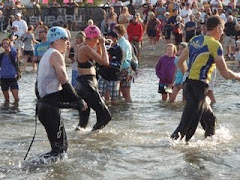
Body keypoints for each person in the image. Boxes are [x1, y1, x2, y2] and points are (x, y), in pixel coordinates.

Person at [171, 16, 240, 142]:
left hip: (189, 86)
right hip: (198, 89)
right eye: (222, 29)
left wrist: (187, 75)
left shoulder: (194, 40)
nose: (222, 33)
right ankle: (169, 151)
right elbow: (224, 73)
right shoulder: (215, 45)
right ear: (218, 28)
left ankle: (208, 149)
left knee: (210, 120)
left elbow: (180, 62)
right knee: (185, 128)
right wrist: (237, 76)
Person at [37, 26, 87, 161]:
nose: (68, 42)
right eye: (66, 39)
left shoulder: (48, 54)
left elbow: (40, 87)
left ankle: (37, 167)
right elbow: (63, 79)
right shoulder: (55, 54)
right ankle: (31, 167)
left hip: (45, 106)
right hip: (49, 107)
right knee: (60, 151)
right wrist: (77, 100)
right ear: (57, 40)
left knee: (60, 150)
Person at [75, 25, 111, 131]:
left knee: (83, 122)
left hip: (84, 84)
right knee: (106, 117)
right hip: (87, 85)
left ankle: (82, 141)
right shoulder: (85, 48)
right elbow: (105, 62)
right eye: (97, 39)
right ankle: (93, 139)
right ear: (95, 38)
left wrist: (99, 45)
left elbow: (99, 57)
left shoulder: (84, 47)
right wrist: (103, 44)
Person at [98, 31, 123, 105]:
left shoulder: (118, 49)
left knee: (114, 99)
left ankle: (114, 113)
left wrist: (108, 64)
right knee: (99, 96)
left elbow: (118, 64)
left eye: (109, 37)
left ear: (115, 39)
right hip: (103, 75)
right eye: (106, 37)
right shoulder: (103, 47)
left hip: (114, 76)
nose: (107, 39)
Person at [113, 24, 133, 103]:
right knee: (118, 93)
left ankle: (128, 109)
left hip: (124, 69)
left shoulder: (123, 43)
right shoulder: (119, 42)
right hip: (120, 69)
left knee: (126, 93)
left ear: (120, 33)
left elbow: (123, 57)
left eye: (115, 32)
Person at [0, 39, 19, 105]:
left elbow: (15, 51)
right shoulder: (1, 56)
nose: (5, 45)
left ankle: (15, 111)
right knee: (6, 99)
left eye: (6, 43)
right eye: (3, 44)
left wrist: (11, 43)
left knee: (16, 99)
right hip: (3, 78)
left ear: (9, 45)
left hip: (12, 77)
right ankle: (6, 112)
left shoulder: (12, 54)